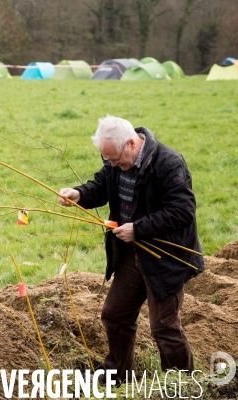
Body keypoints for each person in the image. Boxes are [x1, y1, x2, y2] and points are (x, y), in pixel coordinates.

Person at [58, 116, 204, 383]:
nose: (112, 165)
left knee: (164, 328)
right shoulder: (115, 160)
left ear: (130, 144)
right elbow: (102, 185)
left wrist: (138, 228)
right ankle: (118, 374)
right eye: (108, 160)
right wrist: (79, 194)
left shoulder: (169, 164)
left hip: (164, 256)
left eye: (114, 159)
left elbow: (182, 212)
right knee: (115, 314)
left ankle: (182, 384)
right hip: (131, 254)